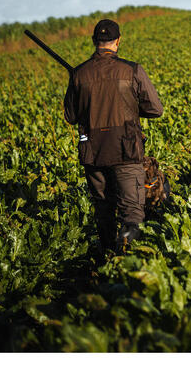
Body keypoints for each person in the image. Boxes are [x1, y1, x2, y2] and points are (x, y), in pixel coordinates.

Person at [64, 18, 163, 254]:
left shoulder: (79, 74)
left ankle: (107, 254)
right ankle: (127, 257)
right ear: (118, 42)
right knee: (132, 209)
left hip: (93, 152)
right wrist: (130, 105)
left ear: (94, 42)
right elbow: (155, 110)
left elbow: (70, 115)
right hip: (126, 150)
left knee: (103, 208)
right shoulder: (132, 70)